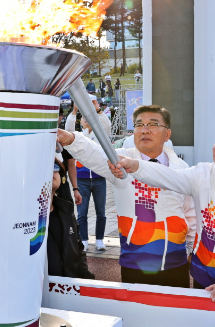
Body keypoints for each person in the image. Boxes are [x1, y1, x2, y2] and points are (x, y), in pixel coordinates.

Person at [108, 121, 215, 301]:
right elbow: (168, 176)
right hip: (204, 273)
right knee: (202, 325)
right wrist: (135, 166)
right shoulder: (202, 174)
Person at [59, 105, 196, 287]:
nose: (145, 130)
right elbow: (95, 154)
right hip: (135, 261)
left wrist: (192, 250)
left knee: (175, 313)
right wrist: (71, 140)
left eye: (153, 125)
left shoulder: (181, 168)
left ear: (167, 134)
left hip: (174, 261)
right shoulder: (120, 161)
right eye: (139, 125)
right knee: (136, 313)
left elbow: (191, 214)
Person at [65, 104, 111, 251]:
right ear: (81, 120)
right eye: (84, 117)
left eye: (90, 117)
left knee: (101, 212)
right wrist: (74, 111)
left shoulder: (100, 136)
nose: (87, 119)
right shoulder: (79, 136)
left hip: (99, 179)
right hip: (82, 179)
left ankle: (99, 240)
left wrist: (97, 109)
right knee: (82, 212)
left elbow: (108, 125)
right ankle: (83, 239)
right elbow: (68, 129)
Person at [47, 159, 95, 279]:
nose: (51, 171)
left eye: (55, 168)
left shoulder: (66, 211)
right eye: (44, 168)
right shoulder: (23, 218)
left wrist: (86, 280)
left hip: (69, 288)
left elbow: (78, 250)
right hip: (41, 290)